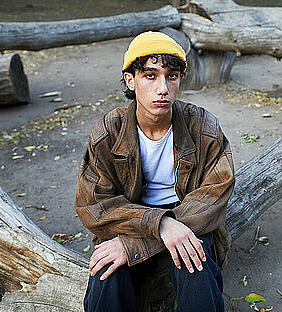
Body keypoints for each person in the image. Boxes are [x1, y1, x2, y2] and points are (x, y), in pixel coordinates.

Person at [75, 31, 235, 312]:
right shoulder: (107, 132)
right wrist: (160, 225)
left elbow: (215, 195)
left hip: (189, 219)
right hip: (127, 220)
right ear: (130, 80)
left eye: (171, 76)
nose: (162, 88)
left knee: (195, 267)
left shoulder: (203, 127)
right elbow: (93, 205)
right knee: (105, 276)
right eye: (150, 75)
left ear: (179, 79)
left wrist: (144, 240)